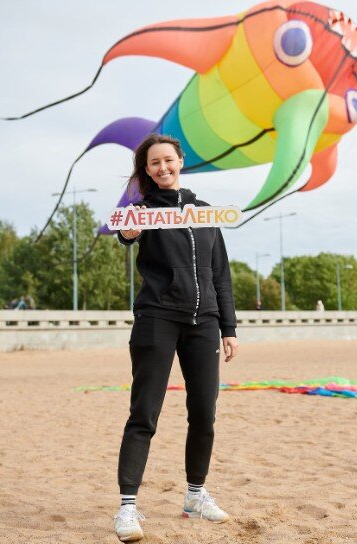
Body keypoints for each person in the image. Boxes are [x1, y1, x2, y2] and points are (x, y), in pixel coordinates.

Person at [114, 134, 238, 542]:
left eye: (168, 160)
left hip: (204, 323)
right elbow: (126, 235)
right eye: (154, 164)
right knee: (145, 412)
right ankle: (128, 508)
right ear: (146, 170)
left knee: (205, 412)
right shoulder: (142, 212)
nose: (163, 168)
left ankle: (195, 496)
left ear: (181, 161)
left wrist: (229, 327)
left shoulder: (204, 214)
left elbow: (220, 273)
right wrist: (130, 234)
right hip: (157, 318)